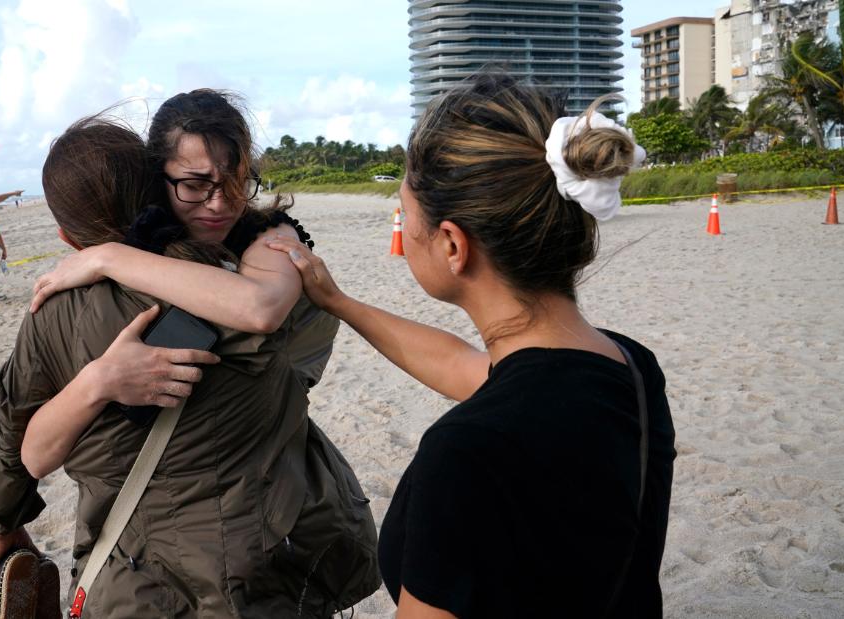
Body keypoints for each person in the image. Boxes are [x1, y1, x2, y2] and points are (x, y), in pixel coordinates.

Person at [265, 71, 676, 617]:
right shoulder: (628, 367)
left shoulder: (467, 452)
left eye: (406, 217)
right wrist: (339, 302)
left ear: (453, 244)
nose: (405, 232)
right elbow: (472, 369)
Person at [0, 106, 378, 617]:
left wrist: (4, 525)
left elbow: (14, 433)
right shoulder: (258, 269)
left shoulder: (51, 311)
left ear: (64, 235)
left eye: (233, 183)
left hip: (133, 577)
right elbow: (295, 354)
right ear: (158, 188)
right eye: (195, 185)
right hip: (271, 566)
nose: (218, 202)